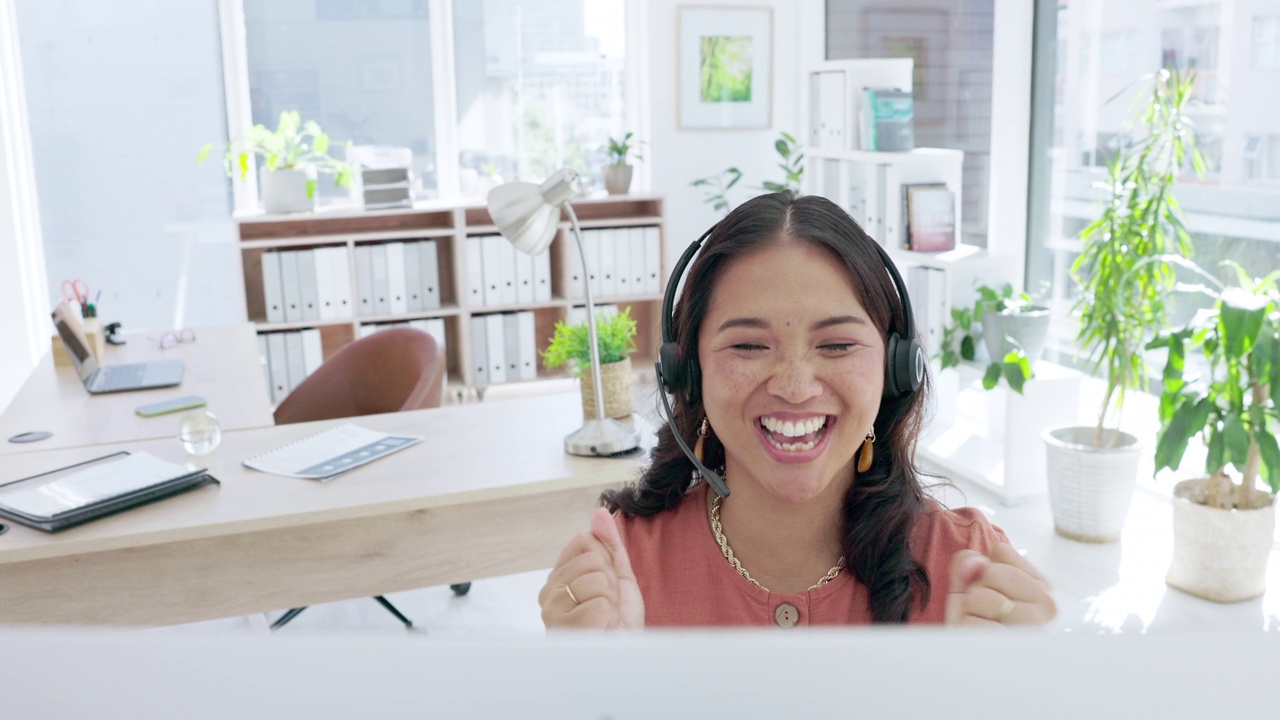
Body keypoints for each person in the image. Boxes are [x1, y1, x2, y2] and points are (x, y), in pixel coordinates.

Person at [538, 192, 1056, 629]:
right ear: (688, 372)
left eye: (836, 346)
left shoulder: (971, 566)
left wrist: (1011, 688)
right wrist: (594, 684)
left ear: (896, 369)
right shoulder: (619, 567)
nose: (794, 386)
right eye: (748, 346)